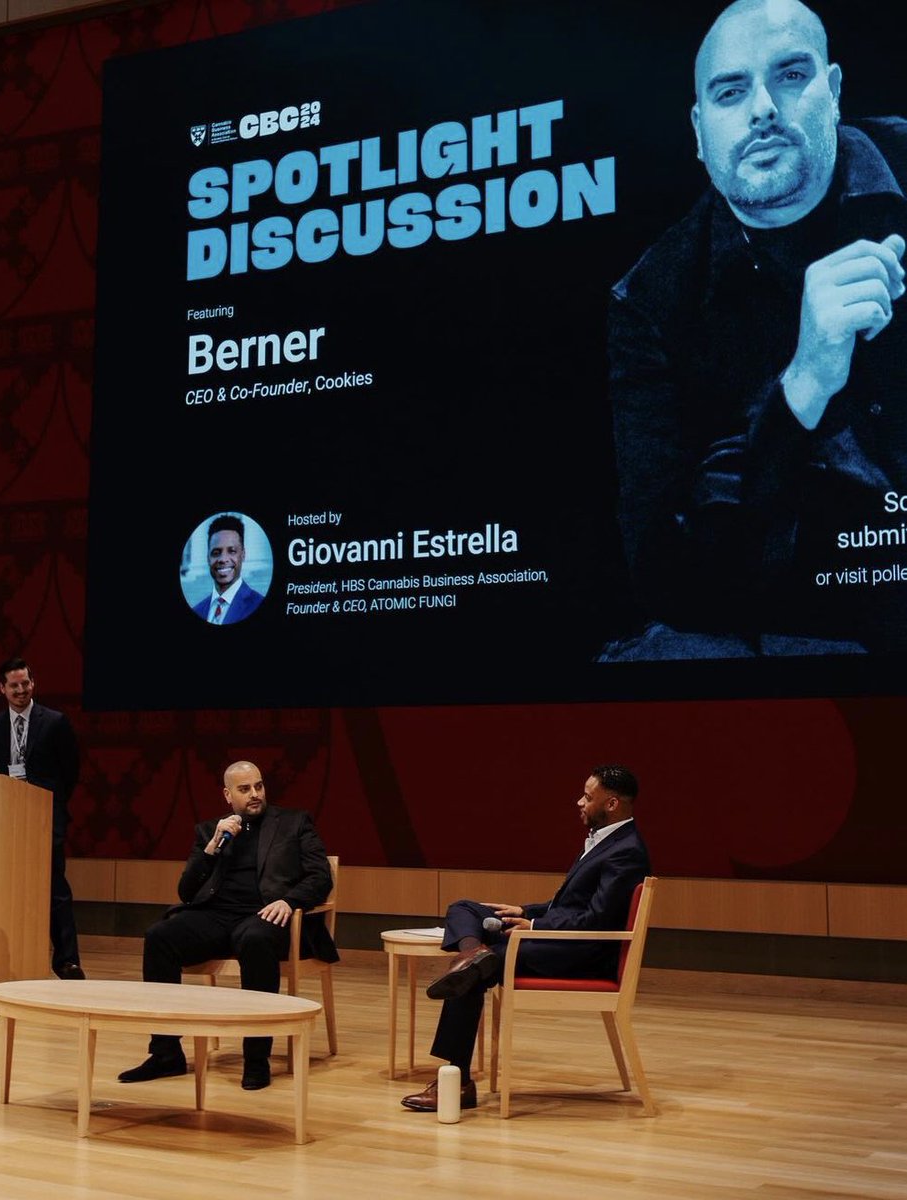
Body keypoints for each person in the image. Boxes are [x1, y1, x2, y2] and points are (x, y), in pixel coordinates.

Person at [605, 0, 907, 661]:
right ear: (697, 130)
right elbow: (667, 576)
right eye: (730, 91)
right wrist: (801, 385)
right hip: (803, 621)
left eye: (790, 75)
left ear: (831, 92)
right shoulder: (653, 300)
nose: (761, 108)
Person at [401, 765, 650, 1113]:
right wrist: (523, 909)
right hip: (560, 939)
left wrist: (532, 924)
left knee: (470, 978)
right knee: (464, 908)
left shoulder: (626, 851)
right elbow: (569, 905)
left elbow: (597, 919)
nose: (579, 802)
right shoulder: (607, 841)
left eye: (587, 797)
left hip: (580, 953)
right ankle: (474, 953)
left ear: (611, 804)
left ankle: (455, 1082)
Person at [118, 760, 337, 1090]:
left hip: (266, 915)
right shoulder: (211, 831)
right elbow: (187, 891)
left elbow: (321, 876)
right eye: (245, 789)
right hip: (216, 915)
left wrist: (289, 901)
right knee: (159, 937)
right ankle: (165, 1053)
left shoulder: (293, 822)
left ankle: (256, 1059)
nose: (254, 794)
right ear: (227, 795)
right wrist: (210, 849)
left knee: (254, 939)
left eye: (258, 786)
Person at [0, 656, 84, 980]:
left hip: (45, 820)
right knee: (10, 889)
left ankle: (67, 961)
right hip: (7, 823)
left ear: (33, 684)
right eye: (14, 685)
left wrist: (47, 804)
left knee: (55, 889)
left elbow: (71, 772)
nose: (21, 690)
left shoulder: (54, 722)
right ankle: (14, 960)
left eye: (26, 683)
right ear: (2, 689)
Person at [190, 515, 265, 625]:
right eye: (216, 553)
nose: (223, 559)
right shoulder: (197, 610)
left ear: (243, 555)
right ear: (208, 558)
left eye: (232, 551)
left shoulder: (258, 605)